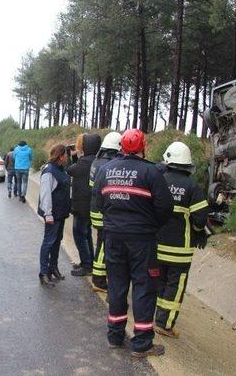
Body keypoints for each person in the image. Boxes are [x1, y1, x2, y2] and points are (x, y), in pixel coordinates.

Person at [92, 129, 173, 357]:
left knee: (116, 284)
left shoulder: (105, 170)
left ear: (122, 147)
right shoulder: (151, 172)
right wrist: (151, 225)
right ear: (143, 147)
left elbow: (99, 200)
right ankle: (142, 344)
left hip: (114, 237)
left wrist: (114, 220)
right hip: (142, 240)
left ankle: (115, 336)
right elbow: (165, 207)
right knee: (144, 287)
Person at [154, 142, 209, 338]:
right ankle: (165, 323)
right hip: (180, 250)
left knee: (160, 281)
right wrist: (198, 231)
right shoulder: (192, 186)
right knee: (175, 286)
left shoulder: (158, 180)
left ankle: (158, 316)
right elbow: (200, 220)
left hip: (158, 245)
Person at [88, 132, 123, 292]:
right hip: (103, 211)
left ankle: (100, 276)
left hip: (95, 208)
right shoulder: (108, 164)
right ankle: (99, 280)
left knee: (101, 242)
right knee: (103, 244)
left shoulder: (97, 161)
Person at [66, 133, 102, 276]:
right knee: (87, 235)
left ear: (85, 147)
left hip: (81, 207)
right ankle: (90, 261)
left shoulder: (83, 162)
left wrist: (71, 155)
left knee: (80, 235)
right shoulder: (97, 161)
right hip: (92, 206)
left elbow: (69, 170)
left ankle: (87, 265)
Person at [37, 144, 71, 286]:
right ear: (61, 156)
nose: (68, 157)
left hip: (61, 213)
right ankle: (43, 272)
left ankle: (53, 268)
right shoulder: (49, 171)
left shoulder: (60, 169)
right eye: (66, 155)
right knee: (49, 241)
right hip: (52, 214)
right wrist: (48, 214)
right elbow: (45, 195)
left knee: (57, 241)